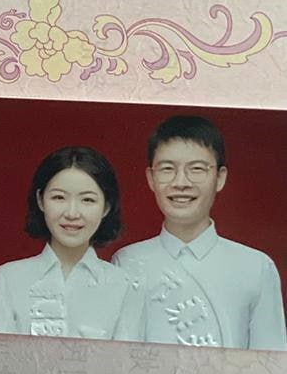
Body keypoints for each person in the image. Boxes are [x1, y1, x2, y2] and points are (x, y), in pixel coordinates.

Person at [112, 115, 287, 350]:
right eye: (167, 169)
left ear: (220, 178)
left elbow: (271, 363)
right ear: (151, 178)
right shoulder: (127, 262)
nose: (181, 182)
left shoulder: (256, 267)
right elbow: (118, 359)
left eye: (196, 169)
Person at [0, 147, 145, 340]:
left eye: (87, 200)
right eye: (59, 197)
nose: (72, 213)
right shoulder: (10, 278)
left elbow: (125, 359)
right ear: (41, 200)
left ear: (106, 207)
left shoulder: (124, 286)